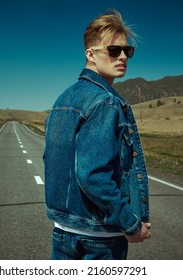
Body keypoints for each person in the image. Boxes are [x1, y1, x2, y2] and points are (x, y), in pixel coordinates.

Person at [43, 9, 151, 260]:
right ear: (90, 54)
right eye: (114, 50)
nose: (123, 56)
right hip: (99, 238)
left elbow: (52, 161)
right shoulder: (105, 102)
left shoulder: (63, 98)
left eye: (128, 51)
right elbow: (93, 176)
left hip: (63, 231)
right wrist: (131, 225)